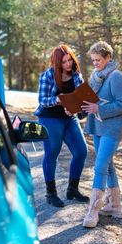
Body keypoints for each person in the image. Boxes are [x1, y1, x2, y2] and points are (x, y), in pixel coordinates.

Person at [81, 41, 122, 228]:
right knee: (108, 165)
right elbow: (90, 100)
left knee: (100, 164)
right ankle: (115, 206)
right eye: (93, 60)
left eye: (98, 60)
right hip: (98, 126)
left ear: (108, 57)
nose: (95, 63)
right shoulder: (96, 75)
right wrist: (77, 107)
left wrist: (98, 108)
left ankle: (93, 211)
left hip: (112, 128)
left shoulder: (117, 76)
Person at [34, 44, 89, 207]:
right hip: (50, 119)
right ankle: (51, 193)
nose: (68, 64)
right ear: (57, 63)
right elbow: (42, 100)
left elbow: (81, 100)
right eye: (64, 62)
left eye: (69, 60)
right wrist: (58, 99)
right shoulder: (47, 76)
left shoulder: (77, 76)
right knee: (52, 154)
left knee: (81, 151)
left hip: (69, 119)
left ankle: (72, 189)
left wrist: (76, 110)